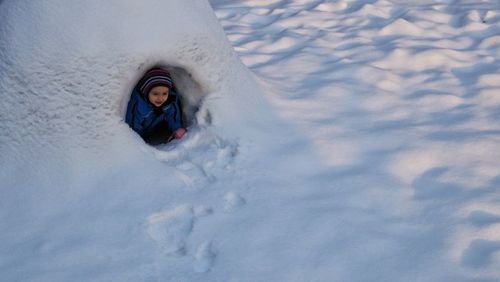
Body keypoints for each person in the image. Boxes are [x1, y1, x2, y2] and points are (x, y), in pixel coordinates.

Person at [126, 67, 186, 144]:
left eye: (164, 93)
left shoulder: (170, 101)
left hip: (157, 130)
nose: (160, 98)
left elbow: (173, 116)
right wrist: (137, 141)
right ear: (146, 92)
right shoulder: (139, 106)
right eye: (155, 94)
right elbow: (133, 125)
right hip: (142, 134)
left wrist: (177, 129)